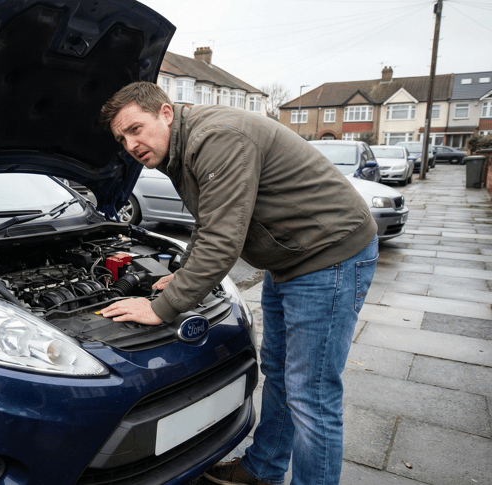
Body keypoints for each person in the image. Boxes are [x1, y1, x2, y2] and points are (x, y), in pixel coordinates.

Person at [98, 82, 378, 485]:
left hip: (328, 257)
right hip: (291, 259)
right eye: (122, 138)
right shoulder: (179, 150)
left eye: (136, 128)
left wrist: (162, 308)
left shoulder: (216, 137)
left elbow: (223, 238)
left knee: (312, 396)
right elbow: (209, 223)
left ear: (165, 112)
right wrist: (184, 273)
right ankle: (263, 468)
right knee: (281, 375)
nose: (130, 144)